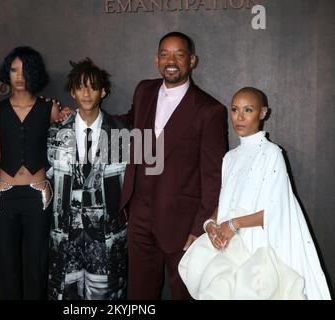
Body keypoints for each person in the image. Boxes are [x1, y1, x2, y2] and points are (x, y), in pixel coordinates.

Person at [178, 87, 331, 300]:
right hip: (229, 245)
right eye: (235, 109)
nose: (239, 117)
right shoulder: (229, 158)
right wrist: (211, 224)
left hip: (259, 248)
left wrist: (233, 225)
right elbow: (225, 201)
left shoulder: (271, 154)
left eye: (248, 110)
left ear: (263, 112)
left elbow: (277, 211)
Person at [118, 31, 228, 299]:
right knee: (140, 295)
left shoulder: (209, 110)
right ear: (157, 59)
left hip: (182, 224)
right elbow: (129, 121)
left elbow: (214, 176)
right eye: (165, 54)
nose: (171, 61)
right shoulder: (144, 90)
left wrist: (199, 228)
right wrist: (88, 116)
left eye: (179, 55)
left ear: (192, 60)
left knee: (183, 295)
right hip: (139, 216)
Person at [47, 58, 129, 300]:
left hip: (107, 234)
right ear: (72, 92)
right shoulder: (54, 133)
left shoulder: (122, 133)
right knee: (66, 293)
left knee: (106, 295)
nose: (86, 93)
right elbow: (46, 178)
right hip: (65, 232)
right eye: (80, 86)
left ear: (103, 91)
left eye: (93, 86)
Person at [0, 46, 63, 299]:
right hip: (4, 196)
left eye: (25, 70)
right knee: (8, 265)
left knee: (37, 265)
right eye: (13, 69)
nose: (19, 76)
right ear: (6, 73)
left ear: (35, 73)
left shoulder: (49, 109)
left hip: (38, 196)